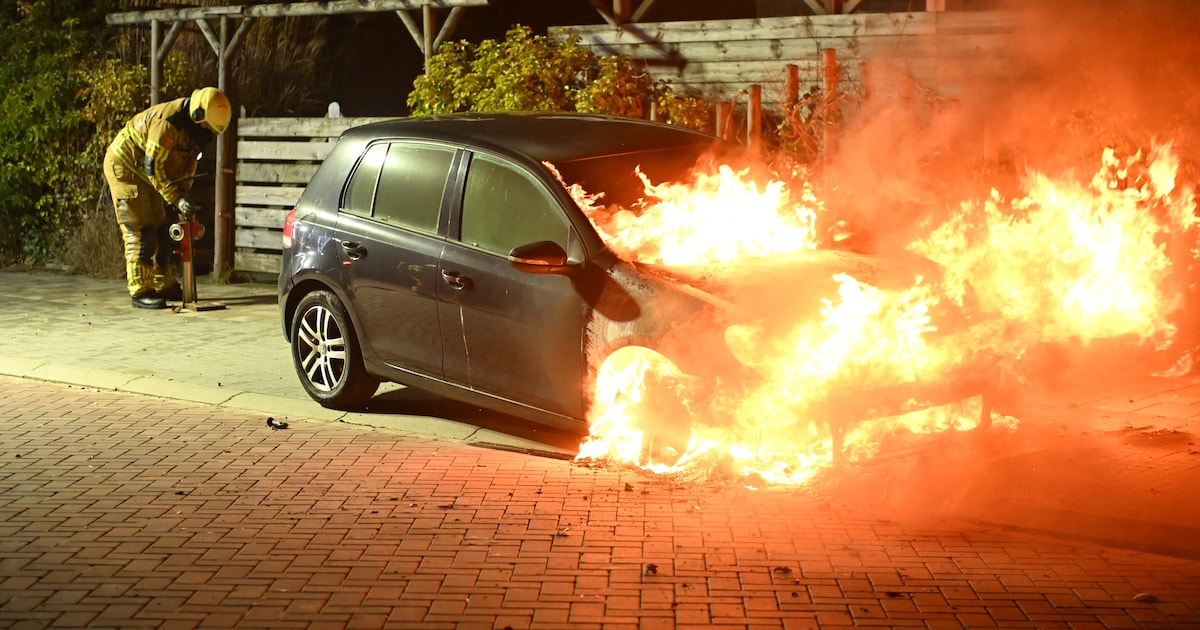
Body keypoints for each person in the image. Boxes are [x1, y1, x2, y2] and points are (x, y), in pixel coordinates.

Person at [103, 87, 232, 309]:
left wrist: (184, 198)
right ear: (198, 116)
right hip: (126, 168)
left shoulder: (193, 132)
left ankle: (165, 284)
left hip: (146, 173)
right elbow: (154, 168)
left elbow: (187, 168)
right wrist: (177, 199)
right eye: (207, 128)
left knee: (162, 230)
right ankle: (141, 290)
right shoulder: (166, 125)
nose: (208, 133)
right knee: (142, 231)